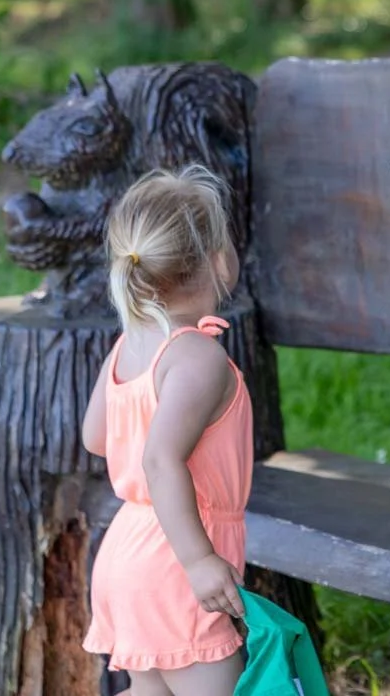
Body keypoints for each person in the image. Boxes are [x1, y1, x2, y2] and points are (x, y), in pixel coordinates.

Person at [82, 165, 252, 695]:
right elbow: (161, 459)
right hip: (175, 559)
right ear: (219, 262)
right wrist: (199, 560)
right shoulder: (196, 358)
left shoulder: (133, 345)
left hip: (125, 551)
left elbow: (94, 437)